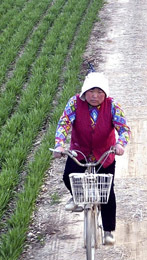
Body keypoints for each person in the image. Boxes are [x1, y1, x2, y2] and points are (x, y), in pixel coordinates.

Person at [52, 72, 131, 245]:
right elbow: (64, 123)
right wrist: (59, 144)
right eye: (91, 92)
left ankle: (108, 231)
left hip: (104, 154)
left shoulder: (112, 106)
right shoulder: (74, 103)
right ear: (84, 92)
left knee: (107, 191)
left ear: (105, 93)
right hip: (79, 151)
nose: (95, 96)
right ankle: (77, 197)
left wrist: (120, 145)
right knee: (68, 177)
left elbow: (124, 129)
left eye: (99, 92)